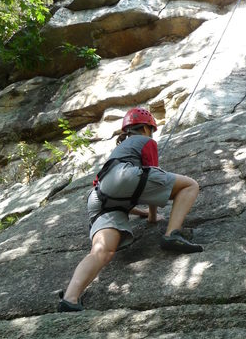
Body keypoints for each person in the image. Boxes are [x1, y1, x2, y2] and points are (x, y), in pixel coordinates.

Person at [57, 107, 202, 312]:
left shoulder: (120, 150)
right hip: (124, 179)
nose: (152, 135)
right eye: (151, 130)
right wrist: (152, 217)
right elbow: (150, 175)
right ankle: (172, 234)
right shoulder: (146, 142)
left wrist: (141, 213)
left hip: (100, 197)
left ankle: (70, 298)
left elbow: (121, 191)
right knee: (190, 185)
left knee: (102, 252)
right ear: (145, 128)